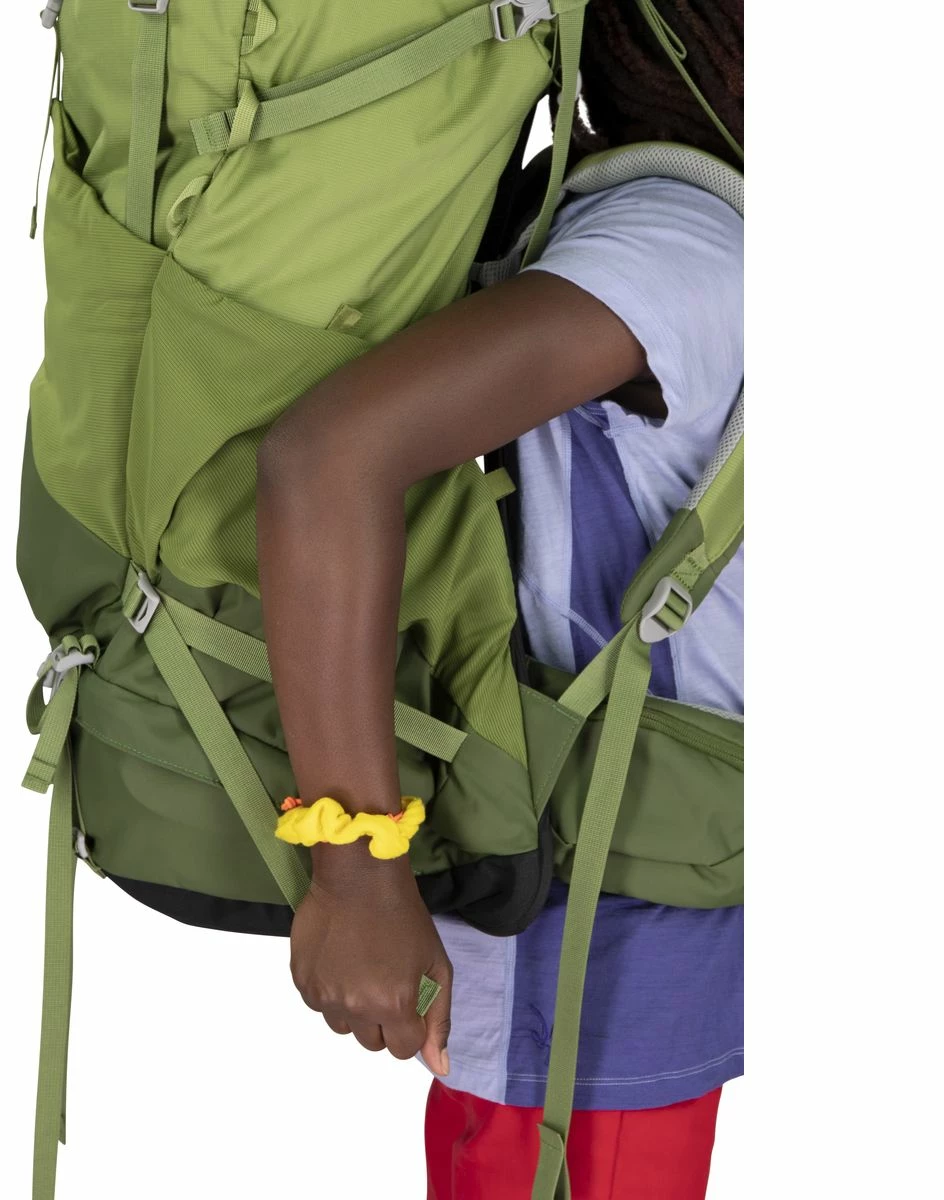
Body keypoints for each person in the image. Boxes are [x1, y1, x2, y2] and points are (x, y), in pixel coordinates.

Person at [254, 1, 743, 1196]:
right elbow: (329, 457)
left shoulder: (700, 228)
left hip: (665, 889)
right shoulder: (686, 252)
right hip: (599, 933)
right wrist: (356, 870)